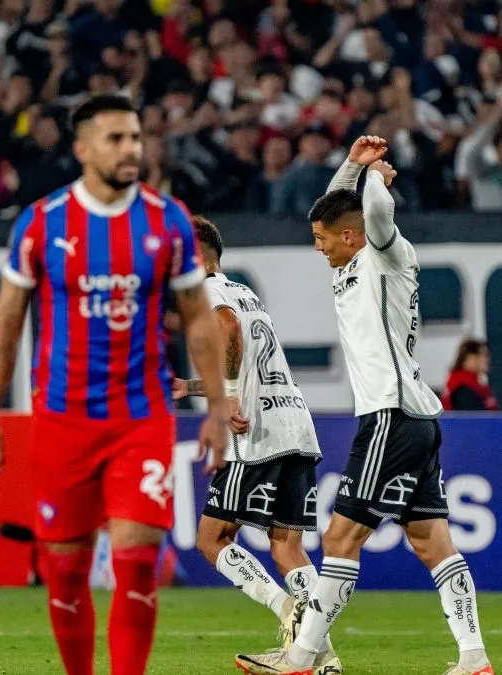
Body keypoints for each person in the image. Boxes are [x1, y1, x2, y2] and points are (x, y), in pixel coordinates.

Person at [0, 94, 230, 675]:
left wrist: (216, 406)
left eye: (135, 137)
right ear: (82, 148)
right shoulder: (41, 223)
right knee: (64, 571)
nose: (130, 149)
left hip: (140, 418)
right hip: (62, 420)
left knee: (138, 563)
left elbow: (197, 315)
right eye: (116, 139)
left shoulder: (168, 220)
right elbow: (6, 321)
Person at [236, 136, 493, 675]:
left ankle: (302, 658)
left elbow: (371, 210)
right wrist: (351, 164)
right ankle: (474, 658)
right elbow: (338, 209)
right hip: (414, 418)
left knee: (339, 538)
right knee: (432, 543)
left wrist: (374, 176)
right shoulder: (350, 264)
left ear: (351, 236)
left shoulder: (387, 254)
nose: (317, 246)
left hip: (390, 417)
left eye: (321, 239)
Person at [171, 216, 340, 674]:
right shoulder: (244, 292)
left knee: (212, 538)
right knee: (287, 545)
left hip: (257, 435)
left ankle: (287, 609)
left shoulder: (209, 292)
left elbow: (227, 331)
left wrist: (224, 395)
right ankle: (320, 657)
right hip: (296, 426)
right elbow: (246, 364)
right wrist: (192, 386)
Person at [442, 340, 498, 411]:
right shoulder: (462, 389)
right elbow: (474, 418)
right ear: (471, 358)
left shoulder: (476, 384)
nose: (488, 359)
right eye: (484, 355)